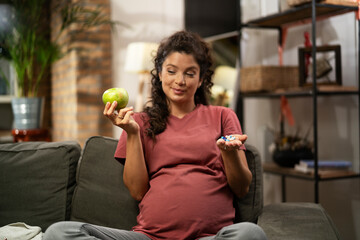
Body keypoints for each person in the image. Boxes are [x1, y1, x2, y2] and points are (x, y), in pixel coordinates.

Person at [43, 30, 267, 240]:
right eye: (171, 71)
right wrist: (132, 133)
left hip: (210, 237)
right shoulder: (139, 122)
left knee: (250, 233)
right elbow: (137, 191)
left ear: (200, 80)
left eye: (190, 74)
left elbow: (241, 188)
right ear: (159, 74)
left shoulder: (223, 116)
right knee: (59, 232)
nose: (179, 81)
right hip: (149, 236)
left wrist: (228, 154)